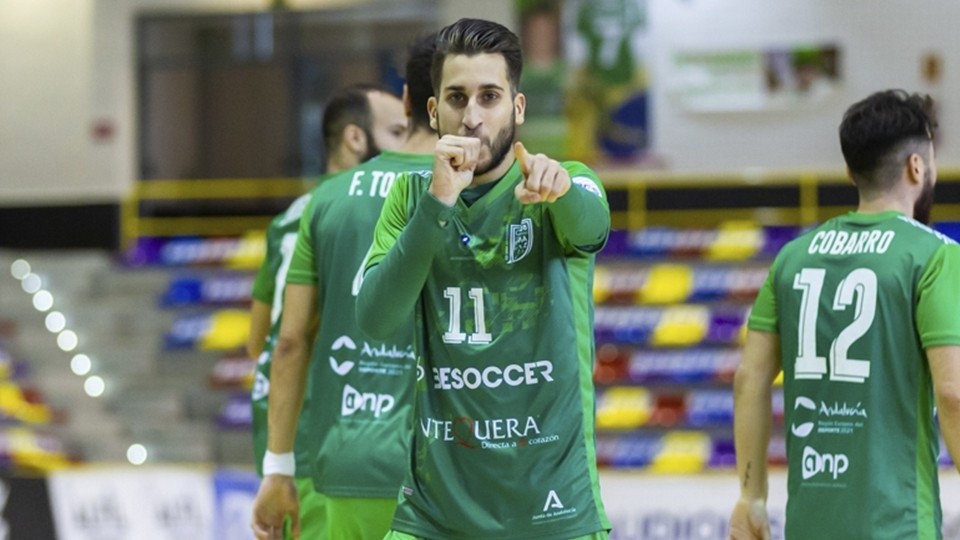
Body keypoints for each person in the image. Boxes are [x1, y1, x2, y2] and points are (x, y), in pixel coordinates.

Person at [357, 18, 612, 540]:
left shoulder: (564, 184)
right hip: (433, 516)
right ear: (434, 110)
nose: (472, 117)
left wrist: (561, 193)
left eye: (490, 96)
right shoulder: (409, 199)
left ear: (517, 107)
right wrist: (438, 203)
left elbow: (591, 225)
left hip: (553, 515)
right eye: (456, 97)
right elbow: (375, 320)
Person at [730, 90, 960, 539]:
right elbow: (952, 392)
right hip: (897, 526)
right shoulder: (935, 256)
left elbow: (749, 380)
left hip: (810, 525)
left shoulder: (792, 257)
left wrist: (751, 496)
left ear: (850, 172)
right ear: (918, 167)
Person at [250, 34, 438, 540]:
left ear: (409, 100)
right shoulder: (467, 192)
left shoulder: (318, 204)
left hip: (338, 445)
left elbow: (274, 343)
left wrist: (277, 464)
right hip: (444, 456)